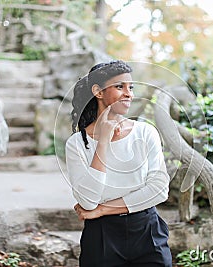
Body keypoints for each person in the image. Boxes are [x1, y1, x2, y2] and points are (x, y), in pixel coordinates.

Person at [65, 60, 172, 266]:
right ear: (98, 92)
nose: (129, 94)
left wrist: (102, 209)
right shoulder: (77, 144)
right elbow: (87, 202)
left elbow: (159, 190)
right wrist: (103, 141)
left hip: (147, 232)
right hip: (101, 237)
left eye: (130, 87)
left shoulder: (145, 132)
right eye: (119, 87)